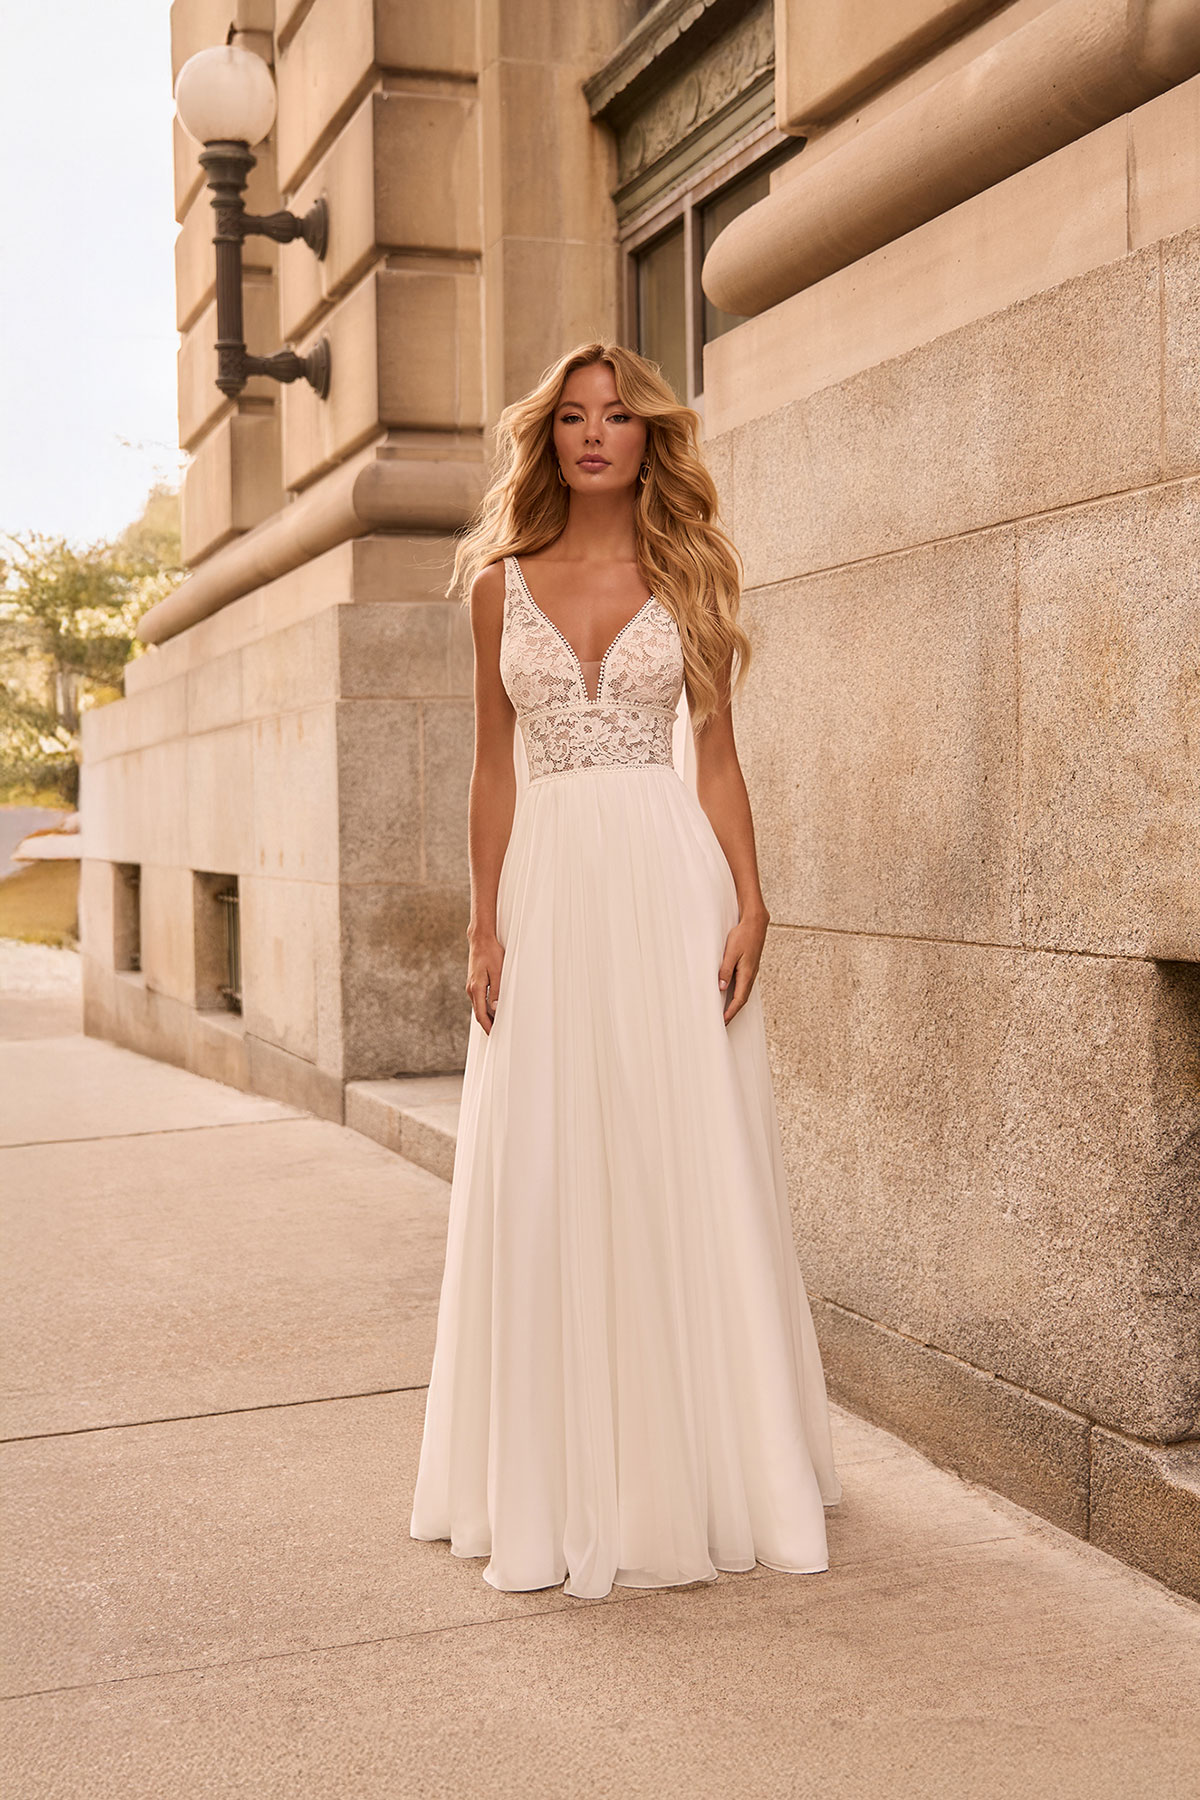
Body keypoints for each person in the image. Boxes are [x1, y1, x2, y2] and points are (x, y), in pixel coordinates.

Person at [409, 340, 842, 1599]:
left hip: (666, 880)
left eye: (618, 417)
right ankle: (549, 1472)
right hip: (548, 885)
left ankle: (706, 1465)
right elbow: (494, 766)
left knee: (680, 1150)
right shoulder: (499, 587)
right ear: (547, 440)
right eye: (573, 419)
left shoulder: (691, 573)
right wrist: (483, 920)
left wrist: (754, 896)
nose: (595, 435)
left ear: (652, 436)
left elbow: (714, 757)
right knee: (545, 1158)